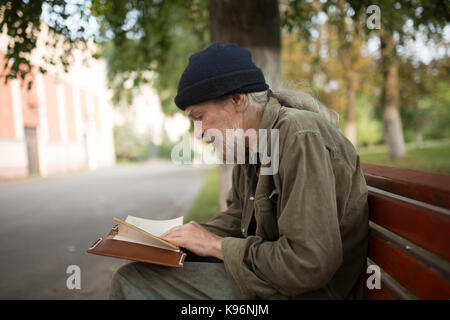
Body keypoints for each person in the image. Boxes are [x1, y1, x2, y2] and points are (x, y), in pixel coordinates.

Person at [109, 42, 369, 300]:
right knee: (146, 271)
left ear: (237, 100)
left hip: (307, 293)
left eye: (199, 117)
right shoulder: (250, 147)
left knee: (133, 282)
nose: (198, 134)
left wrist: (214, 245)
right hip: (271, 281)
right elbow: (237, 221)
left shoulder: (298, 136)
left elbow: (309, 264)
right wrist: (179, 239)